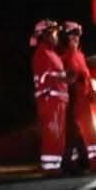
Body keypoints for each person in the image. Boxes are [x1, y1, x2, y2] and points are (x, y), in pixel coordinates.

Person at [59, 21, 96, 173]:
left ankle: (95, 161)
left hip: (83, 100)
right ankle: (74, 164)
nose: (76, 39)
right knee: (74, 133)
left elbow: (86, 77)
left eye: (77, 35)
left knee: (90, 131)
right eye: (72, 36)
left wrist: (91, 91)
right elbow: (68, 79)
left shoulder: (79, 56)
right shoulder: (65, 57)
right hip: (73, 101)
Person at [30, 19, 68, 174]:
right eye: (53, 33)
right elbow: (44, 79)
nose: (56, 36)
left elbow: (55, 76)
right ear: (45, 35)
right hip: (50, 100)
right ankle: (50, 167)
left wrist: (66, 78)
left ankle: (56, 166)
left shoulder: (52, 54)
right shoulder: (42, 54)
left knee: (58, 135)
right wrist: (63, 79)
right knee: (52, 134)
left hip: (58, 100)